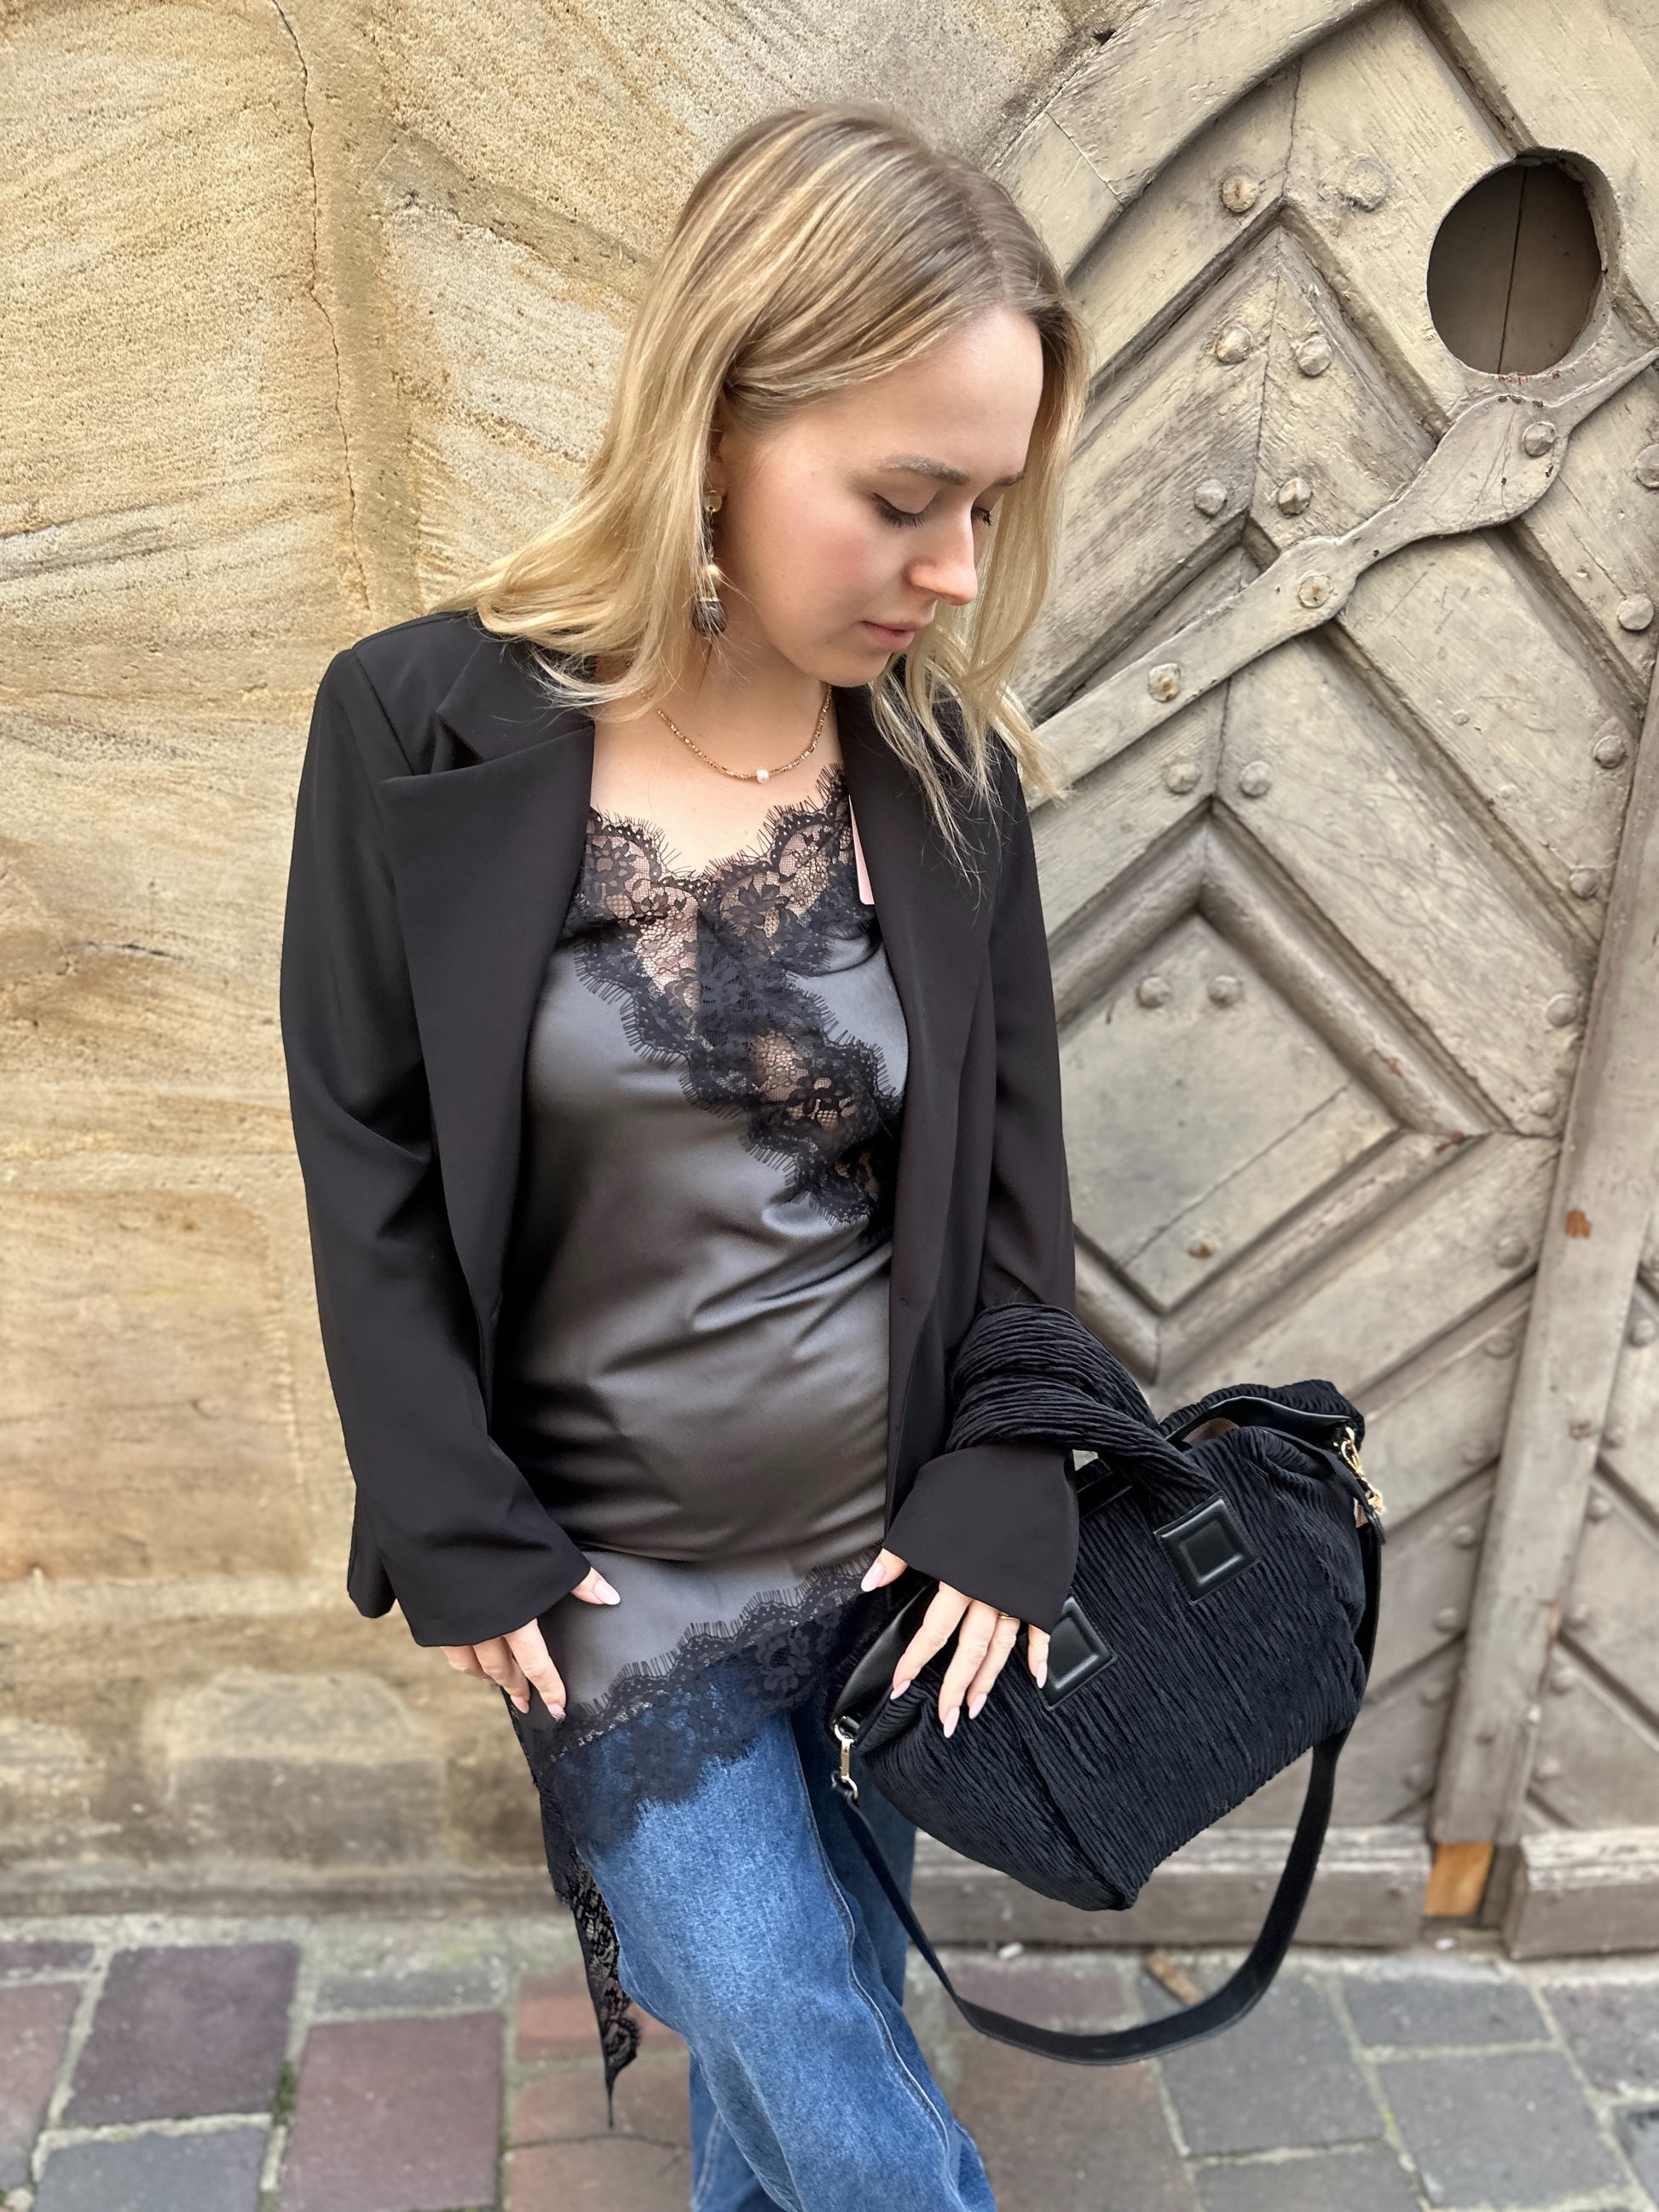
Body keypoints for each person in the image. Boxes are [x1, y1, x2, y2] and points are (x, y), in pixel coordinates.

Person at [280, 97, 1090, 2212]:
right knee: (794, 2011)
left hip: (886, 1559)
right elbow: (365, 1150)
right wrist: (450, 1516)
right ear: (715, 420)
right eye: (902, 498)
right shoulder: (414, 726)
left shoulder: (948, 773)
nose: (954, 571)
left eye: (987, 506)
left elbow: (1015, 1186)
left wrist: (1007, 1482)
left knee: (795, 2049)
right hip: (608, 1580)